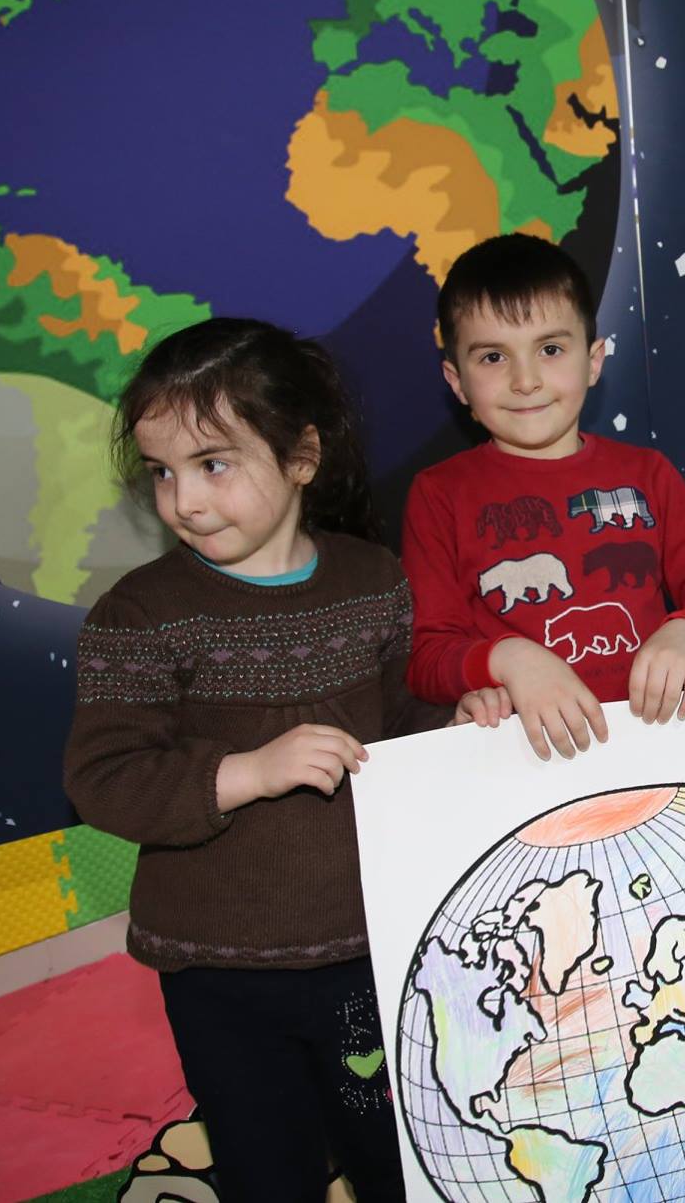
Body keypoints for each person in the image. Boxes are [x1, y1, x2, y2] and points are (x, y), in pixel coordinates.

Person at [63, 318, 458, 1203]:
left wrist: (463, 715)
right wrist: (247, 771)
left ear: (302, 456)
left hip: (365, 955)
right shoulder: (140, 613)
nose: (184, 500)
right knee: (266, 1170)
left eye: (213, 464)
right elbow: (103, 777)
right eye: (162, 472)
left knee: (396, 1160)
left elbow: (406, 719)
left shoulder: (373, 580)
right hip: (218, 973)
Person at [402, 232, 685, 758]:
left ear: (593, 361)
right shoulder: (438, 494)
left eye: (550, 349)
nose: (525, 380)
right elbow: (427, 658)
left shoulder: (648, 474)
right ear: (456, 381)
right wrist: (508, 660)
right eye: (493, 357)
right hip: (525, 759)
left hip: (654, 744)